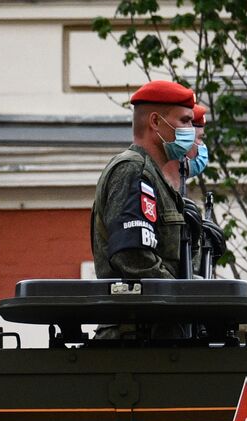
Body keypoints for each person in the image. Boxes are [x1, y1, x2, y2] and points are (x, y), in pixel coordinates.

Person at [91, 79, 196, 280]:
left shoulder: (155, 177)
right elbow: (134, 258)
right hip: (139, 310)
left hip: (157, 308)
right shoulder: (133, 170)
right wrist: (181, 295)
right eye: (185, 121)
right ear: (155, 122)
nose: (191, 129)